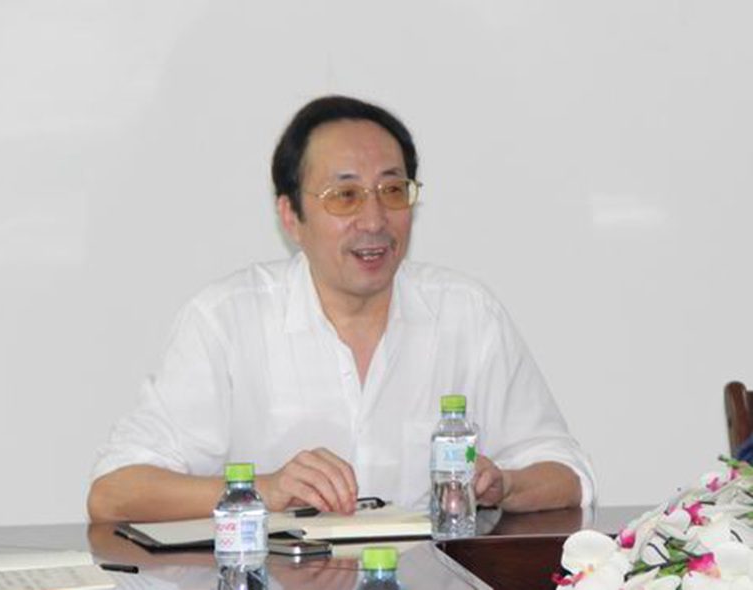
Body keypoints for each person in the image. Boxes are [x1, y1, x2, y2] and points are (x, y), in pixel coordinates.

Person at [87, 95, 596, 523]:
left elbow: (568, 475)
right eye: (345, 196)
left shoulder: (467, 314)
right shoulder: (225, 321)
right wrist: (265, 489)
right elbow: (114, 493)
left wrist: (504, 484)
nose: (374, 220)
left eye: (392, 191)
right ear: (291, 216)